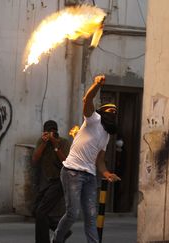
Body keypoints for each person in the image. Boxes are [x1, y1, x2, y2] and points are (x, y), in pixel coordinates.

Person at [52, 74, 121, 243]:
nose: (113, 114)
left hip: (89, 176)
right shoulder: (93, 119)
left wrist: (106, 174)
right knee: (73, 213)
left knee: (91, 215)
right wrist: (97, 84)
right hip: (72, 172)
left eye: (115, 113)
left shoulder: (106, 136)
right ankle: (57, 239)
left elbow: (100, 161)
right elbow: (87, 99)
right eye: (110, 112)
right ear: (102, 113)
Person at [32, 120, 72, 243]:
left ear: (56, 132)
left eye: (53, 132)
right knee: (36, 211)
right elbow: (34, 160)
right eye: (47, 132)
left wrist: (56, 146)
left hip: (61, 181)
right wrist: (44, 144)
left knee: (41, 211)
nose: (50, 135)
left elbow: (66, 162)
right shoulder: (42, 141)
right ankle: (62, 230)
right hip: (48, 182)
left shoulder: (63, 142)